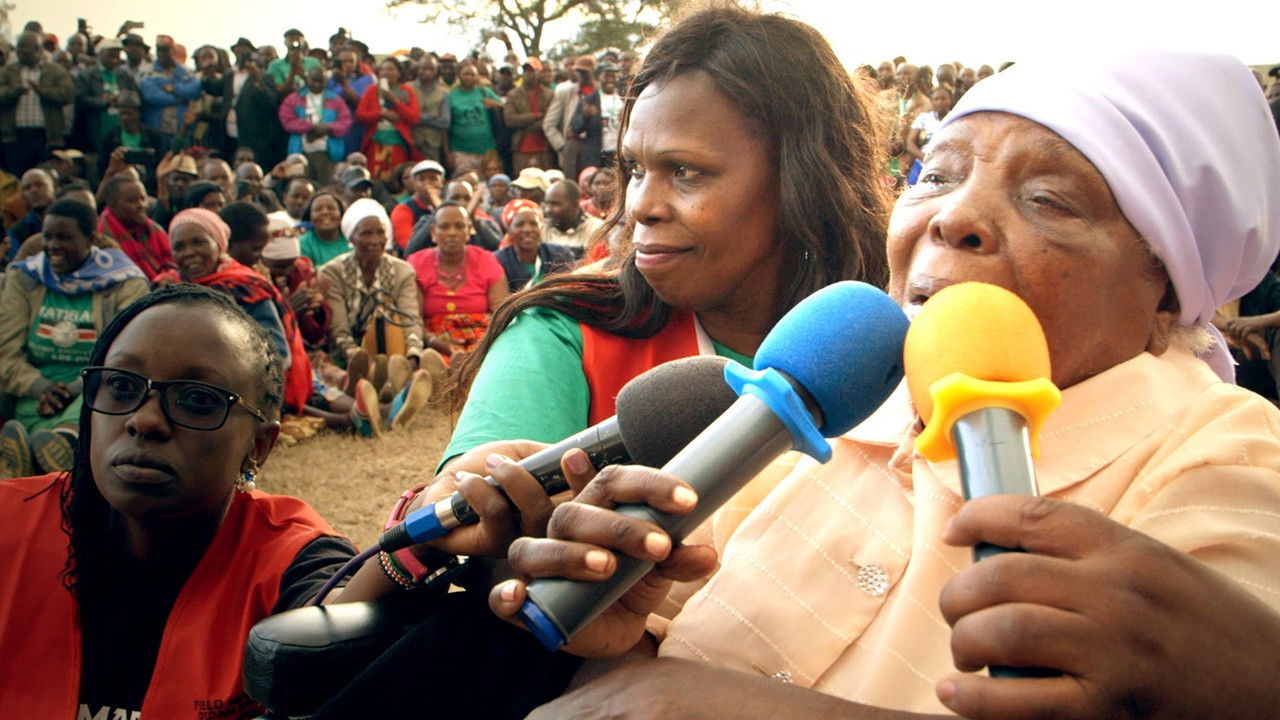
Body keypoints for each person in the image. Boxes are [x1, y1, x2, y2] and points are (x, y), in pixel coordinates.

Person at [492, 49, 1280, 720]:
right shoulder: (830, 398)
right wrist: (620, 632)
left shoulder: (1226, 455)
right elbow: (652, 652)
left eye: (1048, 199)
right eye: (935, 174)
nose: (953, 216)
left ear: (1169, 286)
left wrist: (701, 703)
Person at [0, 283, 355, 719]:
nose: (144, 420)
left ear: (259, 446)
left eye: (198, 399)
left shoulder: (287, 558)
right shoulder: (9, 527)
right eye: (120, 384)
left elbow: (346, 615)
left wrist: (412, 549)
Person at [0, 199, 148, 478]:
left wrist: (71, 390)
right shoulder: (25, 279)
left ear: (90, 240)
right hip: (35, 389)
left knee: (98, 399)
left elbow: (126, 355)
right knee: (34, 420)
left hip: (93, 388)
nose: (53, 246)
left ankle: (63, 443)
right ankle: (36, 450)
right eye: (48, 237)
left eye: (64, 237)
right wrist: (38, 386)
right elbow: (6, 353)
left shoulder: (124, 282)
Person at [165, 208, 313, 415]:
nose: (189, 252)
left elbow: (278, 355)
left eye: (199, 242)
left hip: (243, 388)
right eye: (179, 246)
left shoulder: (245, 287)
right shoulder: (168, 288)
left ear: (219, 244)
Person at [318, 198, 426, 365]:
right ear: (351, 238)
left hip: (395, 352)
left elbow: (410, 318)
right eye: (366, 233)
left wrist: (413, 355)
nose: (375, 240)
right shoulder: (333, 272)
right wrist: (360, 360)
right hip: (347, 356)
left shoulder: (403, 271)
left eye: (380, 232)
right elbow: (338, 330)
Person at [405, 201, 509, 357]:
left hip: (482, 343)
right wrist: (434, 342)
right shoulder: (416, 263)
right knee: (432, 362)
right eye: (444, 227)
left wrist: (481, 348)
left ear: (469, 231)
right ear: (433, 232)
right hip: (434, 344)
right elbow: (413, 319)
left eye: (459, 227)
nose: (452, 233)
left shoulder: (486, 260)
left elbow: (501, 316)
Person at [0, 31, 75, 175]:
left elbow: (68, 94)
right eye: (19, 46)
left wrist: (41, 91)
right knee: (18, 178)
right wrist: (13, 91)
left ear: (39, 50)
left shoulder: (55, 71)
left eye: (25, 47)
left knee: (49, 177)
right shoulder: (7, 71)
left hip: (47, 137)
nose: (20, 51)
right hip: (15, 137)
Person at [279, 65, 353, 186]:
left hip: (327, 154)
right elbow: (287, 120)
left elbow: (345, 122)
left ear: (326, 81)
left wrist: (326, 128)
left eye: (321, 81)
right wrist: (311, 127)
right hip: (300, 152)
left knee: (327, 188)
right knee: (299, 186)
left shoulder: (336, 100)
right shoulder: (294, 98)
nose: (317, 84)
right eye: (314, 80)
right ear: (307, 79)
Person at [97, 174, 175, 282]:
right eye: (132, 201)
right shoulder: (102, 240)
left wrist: (169, 276)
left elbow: (174, 263)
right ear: (112, 205)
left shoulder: (154, 229)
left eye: (143, 198)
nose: (141, 205)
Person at [356, 58, 420, 182]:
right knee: (375, 180)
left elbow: (414, 118)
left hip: (398, 144)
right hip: (375, 143)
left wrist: (395, 102)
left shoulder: (407, 91)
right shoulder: (372, 90)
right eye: (383, 69)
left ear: (399, 73)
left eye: (391, 69)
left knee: (396, 179)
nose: (386, 72)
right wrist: (382, 114)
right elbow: (360, 115)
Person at [493, 199, 574, 292]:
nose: (527, 229)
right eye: (519, 224)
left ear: (541, 227)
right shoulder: (498, 261)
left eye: (533, 224)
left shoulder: (560, 255)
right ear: (508, 230)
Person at [138, 35, 201, 149]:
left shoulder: (186, 70)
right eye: (159, 50)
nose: (162, 53)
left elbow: (195, 90)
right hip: (157, 130)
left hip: (182, 129)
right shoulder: (147, 70)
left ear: (172, 50)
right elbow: (152, 96)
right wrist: (180, 99)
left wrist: (174, 89)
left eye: (166, 50)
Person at [447, 62, 503, 174]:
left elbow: (505, 106)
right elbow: (445, 127)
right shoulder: (450, 96)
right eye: (466, 74)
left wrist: (494, 104)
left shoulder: (484, 92)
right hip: (461, 152)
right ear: (458, 75)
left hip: (487, 150)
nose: (469, 77)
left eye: (473, 74)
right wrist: (448, 152)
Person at [568, 63, 623, 172]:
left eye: (613, 76)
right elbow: (574, 127)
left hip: (618, 156)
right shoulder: (590, 100)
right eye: (606, 76)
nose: (610, 79)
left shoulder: (623, 99)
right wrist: (585, 117)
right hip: (596, 156)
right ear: (598, 78)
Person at [504, 57, 553, 171]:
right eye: (526, 70)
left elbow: (549, 120)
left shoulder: (549, 94)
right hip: (521, 147)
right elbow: (510, 120)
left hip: (544, 148)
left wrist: (524, 123)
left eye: (532, 70)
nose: (529, 74)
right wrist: (536, 115)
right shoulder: (513, 94)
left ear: (539, 72)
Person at [389, 159, 443, 252]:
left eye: (433, 178)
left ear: (442, 182)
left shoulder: (452, 206)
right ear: (414, 184)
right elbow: (408, 248)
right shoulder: (402, 210)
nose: (427, 183)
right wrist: (438, 210)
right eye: (422, 179)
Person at [5, 169, 55, 264]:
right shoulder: (17, 231)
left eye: (39, 184)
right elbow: (15, 267)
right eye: (27, 188)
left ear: (53, 188)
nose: (34, 190)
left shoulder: (71, 219)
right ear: (23, 196)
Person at [542, 179, 603, 257]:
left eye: (555, 204)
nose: (548, 210)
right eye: (546, 204)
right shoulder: (542, 228)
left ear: (575, 204)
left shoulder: (596, 229)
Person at [905, 86, 952, 184]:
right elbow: (910, 143)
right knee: (911, 189)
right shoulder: (923, 118)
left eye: (943, 98)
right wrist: (926, 158)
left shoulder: (956, 118)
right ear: (931, 101)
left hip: (947, 164)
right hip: (923, 162)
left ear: (950, 100)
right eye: (936, 99)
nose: (940, 102)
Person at [410, 55, 451, 164]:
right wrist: (432, 117)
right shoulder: (407, 88)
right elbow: (405, 116)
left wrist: (416, 117)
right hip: (411, 142)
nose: (427, 72)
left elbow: (445, 122)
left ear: (436, 71)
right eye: (424, 68)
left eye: (431, 69)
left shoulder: (444, 92)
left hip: (433, 146)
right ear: (418, 69)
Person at [298, 190, 350, 267]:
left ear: (341, 215)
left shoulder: (351, 238)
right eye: (318, 209)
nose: (325, 212)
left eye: (331, 208)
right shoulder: (303, 243)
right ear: (310, 217)